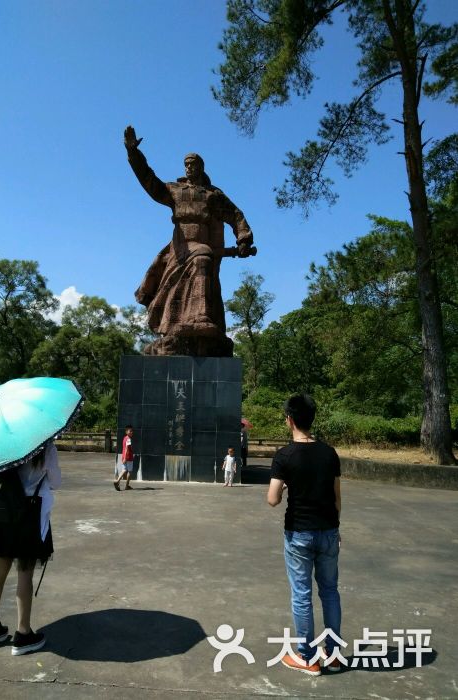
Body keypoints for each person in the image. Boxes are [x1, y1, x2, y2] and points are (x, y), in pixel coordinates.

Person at [124, 125, 255, 356]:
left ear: (201, 167)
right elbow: (149, 181)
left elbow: (234, 214)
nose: (189, 166)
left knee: (203, 256)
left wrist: (243, 238)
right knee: (197, 259)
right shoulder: (175, 190)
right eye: (186, 163)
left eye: (193, 163)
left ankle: (201, 317)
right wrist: (133, 153)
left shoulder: (212, 195)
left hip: (202, 245)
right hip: (180, 247)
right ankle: (180, 327)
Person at [267, 394, 342, 676]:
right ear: (312, 419)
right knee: (330, 591)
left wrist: (286, 486)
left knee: (302, 594)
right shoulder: (329, 453)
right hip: (328, 531)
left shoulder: (285, 455)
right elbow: (337, 498)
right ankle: (333, 655)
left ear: (290, 420)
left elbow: (272, 499)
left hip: (299, 533)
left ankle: (307, 657)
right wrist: (336, 528)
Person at [0, 440, 61, 656]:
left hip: (3, 512)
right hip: (29, 515)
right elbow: (56, 482)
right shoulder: (45, 447)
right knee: (25, 574)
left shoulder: (4, 445)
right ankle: (23, 634)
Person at [114, 425, 134, 491]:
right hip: (128, 457)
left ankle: (117, 481)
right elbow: (127, 449)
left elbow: (125, 448)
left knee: (124, 470)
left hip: (124, 456)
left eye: (132, 431)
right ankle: (127, 486)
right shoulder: (128, 439)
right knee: (130, 471)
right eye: (130, 431)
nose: (131, 432)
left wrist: (124, 457)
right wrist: (125, 457)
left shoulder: (125, 438)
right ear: (126, 432)